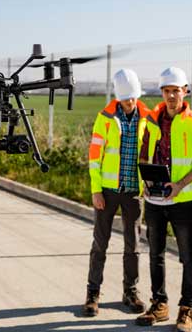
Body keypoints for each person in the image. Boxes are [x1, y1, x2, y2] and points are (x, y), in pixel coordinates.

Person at [135, 67, 192, 332]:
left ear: (185, 91)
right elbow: (143, 156)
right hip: (155, 201)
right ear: (162, 93)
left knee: (187, 256)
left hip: (183, 201)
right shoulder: (152, 120)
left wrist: (180, 185)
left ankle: (186, 309)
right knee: (155, 254)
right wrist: (147, 180)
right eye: (166, 91)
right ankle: (159, 304)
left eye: (175, 91)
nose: (171, 96)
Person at [83, 68, 150, 317]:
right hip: (108, 192)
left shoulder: (148, 117)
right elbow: (94, 156)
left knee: (133, 246)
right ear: (118, 97)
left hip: (134, 192)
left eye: (133, 98)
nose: (130, 103)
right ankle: (92, 293)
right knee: (100, 244)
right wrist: (96, 189)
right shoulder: (105, 117)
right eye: (125, 99)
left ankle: (130, 292)